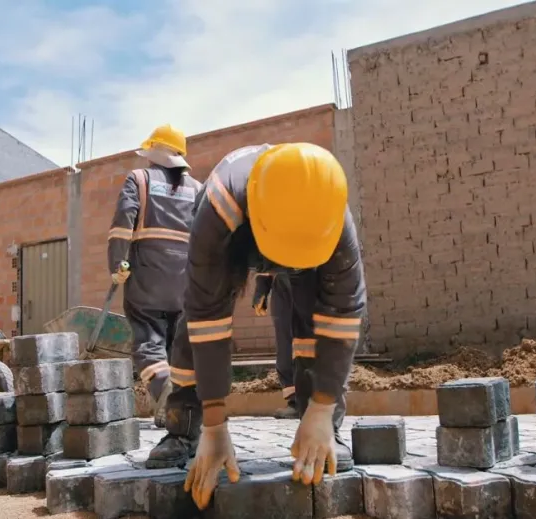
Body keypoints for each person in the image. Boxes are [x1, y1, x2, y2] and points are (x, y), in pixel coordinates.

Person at [143, 142, 366, 510]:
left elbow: (343, 313)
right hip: (237, 226)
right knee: (192, 329)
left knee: (315, 321)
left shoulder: (331, 213)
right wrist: (215, 424)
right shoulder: (217, 212)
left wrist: (324, 406)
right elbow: (206, 318)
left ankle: (323, 429)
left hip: (292, 231)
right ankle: (183, 426)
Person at [107, 124, 203, 429]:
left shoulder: (139, 179)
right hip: (187, 278)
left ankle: (164, 389)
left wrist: (117, 264)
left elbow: (124, 221)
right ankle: (180, 408)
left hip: (147, 276)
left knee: (148, 342)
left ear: (153, 154)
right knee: (178, 344)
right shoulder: (199, 189)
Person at [251, 272, 299, 419]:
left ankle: (319, 401)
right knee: (286, 345)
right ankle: (295, 401)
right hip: (284, 285)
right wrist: (261, 288)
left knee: (314, 342)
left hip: (314, 279)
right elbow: (266, 254)